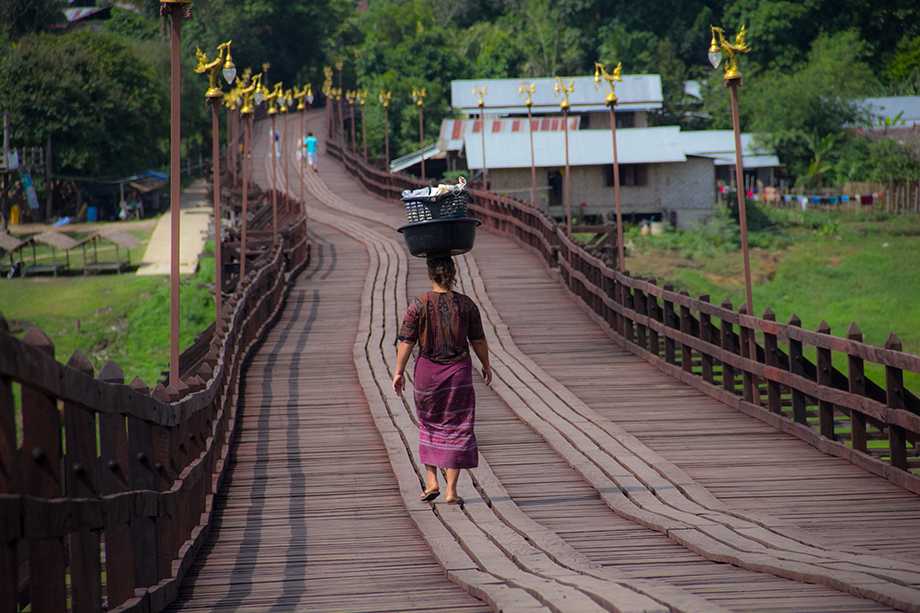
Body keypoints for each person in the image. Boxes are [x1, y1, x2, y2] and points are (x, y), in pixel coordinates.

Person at [393, 256, 491, 506]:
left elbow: (406, 340)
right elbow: (478, 339)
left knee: (429, 423)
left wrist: (398, 371)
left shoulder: (419, 305)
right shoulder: (466, 305)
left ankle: (431, 480)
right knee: (458, 425)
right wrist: (486, 364)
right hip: (458, 373)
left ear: (430, 275)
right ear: (453, 273)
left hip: (427, 373)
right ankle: (451, 490)